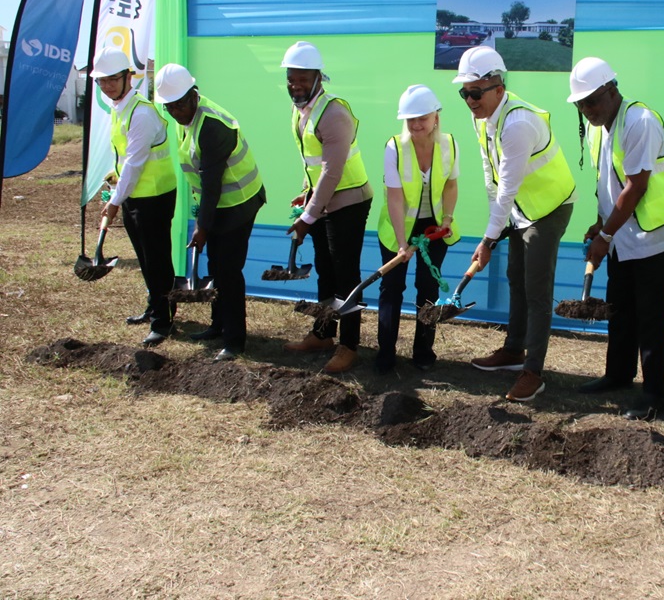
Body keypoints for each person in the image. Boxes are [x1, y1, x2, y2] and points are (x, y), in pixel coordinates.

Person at [566, 57, 664, 421]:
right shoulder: (599, 125)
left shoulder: (640, 122)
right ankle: (618, 374)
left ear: (612, 90)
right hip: (622, 232)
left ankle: (654, 393)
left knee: (650, 313)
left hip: (655, 233)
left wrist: (605, 236)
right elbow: (609, 181)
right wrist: (601, 222)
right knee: (620, 306)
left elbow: (635, 186)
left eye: (592, 100)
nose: (587, 109)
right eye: (581, 104)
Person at [453, 46, 576, 402]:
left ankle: (532, 372)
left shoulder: (518, 124)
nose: (470, 100)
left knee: (537, 290)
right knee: (515, 278)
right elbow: (491, 178)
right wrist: (494, 232)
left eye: (475, 92)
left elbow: (507, 188)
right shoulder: (483, 118)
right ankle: (513, 350)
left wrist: (488, 240)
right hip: (522, 208)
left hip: (549, 208)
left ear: (498, 87)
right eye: (464, 93)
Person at [154, 63, 266, 362]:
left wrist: (202, 228)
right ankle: (218, 325)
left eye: (180, 104)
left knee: (228, 271)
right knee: (216, 266)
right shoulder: (183, 118)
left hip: (239, 202)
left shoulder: (213, 127)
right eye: (170, 107)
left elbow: (212, 184)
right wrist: (203, 223)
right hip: (217, 203)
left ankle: (235, 341)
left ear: (194, 94)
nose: (176, 112)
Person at [279, 41, 374, 375]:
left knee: (345, 275)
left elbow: (333, 172)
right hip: (324, 199)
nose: (295, 84)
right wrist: (307, 194)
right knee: (324, 268)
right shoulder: (302, 108)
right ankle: (322, 334)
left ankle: (349, 346)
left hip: (349, 200)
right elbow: (316, 164)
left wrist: (308, 216)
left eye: (302, 78)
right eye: (291, 78)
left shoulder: (334, 114)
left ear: (318, 77)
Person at [91, 47, 177, 347]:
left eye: (112, 80)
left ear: (128, 77)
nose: (106, 86)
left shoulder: (141, 113)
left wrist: (114, 202)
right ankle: (157, 306)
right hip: (134, 195)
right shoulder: (118, 107)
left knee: (156, 260)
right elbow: (124, 159)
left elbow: (136, 163)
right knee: (145, 258)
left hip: (153, 197)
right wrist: (115, 184)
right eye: (101, 81)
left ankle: (162, 323)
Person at [376, 85, 460, 374]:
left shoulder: (449, 144)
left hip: (435, 228)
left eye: (422, 117)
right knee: (391, 287)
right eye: (410, 119)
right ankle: (385, 354)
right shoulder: (394, 148)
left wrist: (447, 219)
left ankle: (424, 353)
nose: (415, 124)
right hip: (398, 227)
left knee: (428, 288)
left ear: (436, 116)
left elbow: (450, 184)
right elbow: (395, 196)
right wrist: (401, 244)